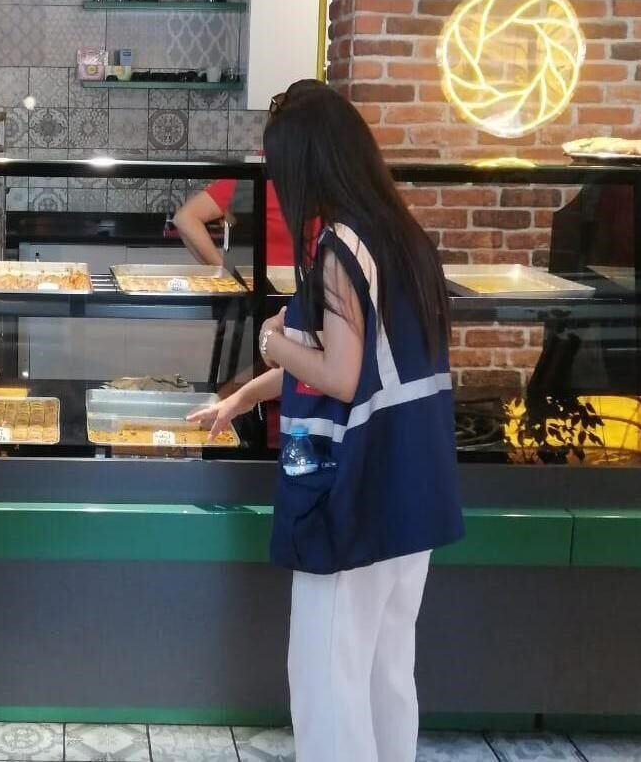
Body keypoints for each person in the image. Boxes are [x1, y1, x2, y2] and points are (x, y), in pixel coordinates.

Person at [190, 80, 463, 762]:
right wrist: (243, 398)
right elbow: (360, 364)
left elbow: (338, 374)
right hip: (415, 483)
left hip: (357, 488)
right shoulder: (401, 236)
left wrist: (269, 339)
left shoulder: (341, 247)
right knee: (386, 672)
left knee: (327, 678)